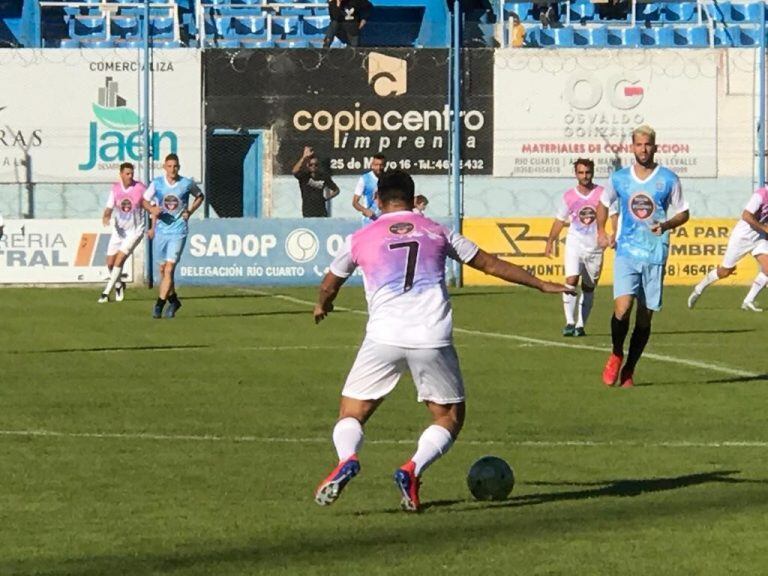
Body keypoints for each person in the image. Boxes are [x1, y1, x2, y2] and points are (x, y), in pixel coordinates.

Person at [313, 170, 573, 512]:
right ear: (412, 196)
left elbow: (331, 282)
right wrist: (540, 284)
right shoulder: (436, 231)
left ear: (378, 199)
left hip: (383, 336)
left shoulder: (362, 237)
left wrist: (323, 304)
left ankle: (348, 458)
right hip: (431, 336)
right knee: (448, 416)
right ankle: (413, 469)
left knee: (352, 412)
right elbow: (489, 264)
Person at [596, 125, 689, 388]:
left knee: (645, 317)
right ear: (632, 147)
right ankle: (616, 353)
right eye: (638, 144)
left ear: (655, 147)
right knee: (622, 308)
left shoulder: (668, 179)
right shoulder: (620, 179)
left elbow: (684, 212)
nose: (643, 149)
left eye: (648, 144)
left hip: (655, 253)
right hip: (626, 252)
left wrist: (667, 225)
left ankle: (629, 369)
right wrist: (601, 231)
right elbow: (603, 203)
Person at [545, 158, 617, 337]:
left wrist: (613, 234)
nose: (584, 176)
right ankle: (569, 321)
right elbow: (560, 220)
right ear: (576, 174)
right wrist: (550, 240)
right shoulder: (569, 196)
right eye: (581, 173)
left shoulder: (603, 193)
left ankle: (580, 325)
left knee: (589, 286)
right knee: (571, 280)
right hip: (574, 242)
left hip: (594, 246)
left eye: (587, 172)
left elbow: (614, 215)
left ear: (592, 172)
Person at [142, 154, 204, 319]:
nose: (172, 169)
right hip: (161, 232)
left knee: (169, 269)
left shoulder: (186, 184)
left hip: (178, 231)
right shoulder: (157, 184)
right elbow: (144, 200)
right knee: (163, 271)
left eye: (175, 166)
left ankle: (159, 305)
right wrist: (152, 209)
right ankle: (174, 300)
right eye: (169, 166)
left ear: (179, 167)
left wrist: (189, 211)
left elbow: (200, 196)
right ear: (164, 167)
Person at [687, 185, 768, 312]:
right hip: (743, 236)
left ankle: (748, 301)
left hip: (759, 237)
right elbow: (746, 215)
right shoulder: (761, 194)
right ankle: (699, 289)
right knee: (725, 271)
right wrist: (764, 228)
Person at [98, 163, 147, 304]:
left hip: (135, 231)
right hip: (119, 230)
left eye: (132, 173)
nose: (130, 176)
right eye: (127, 174)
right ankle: (119, 284)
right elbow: (109, 207)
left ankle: (105, 293)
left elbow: (151, 204)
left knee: (120, 260)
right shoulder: (116, 189)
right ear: (121, 174)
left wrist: (153, 224)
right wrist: (106, 216)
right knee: (110, 263)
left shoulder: (140, 188)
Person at [292, 147, 340, 218]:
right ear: (308, 165)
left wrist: (326, 198)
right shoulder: (304, 176)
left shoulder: (323, 177)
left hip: (321, 211)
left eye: (315, 165)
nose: (313, 166)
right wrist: (304, 158)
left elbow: (336, 190)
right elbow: (294, 171)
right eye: (311, 165)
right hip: (308, 211)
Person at [352, 153, 385, 224]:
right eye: (376, 165)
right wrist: (364, 210)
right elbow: (355, 202)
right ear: (372, 165)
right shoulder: (364, 179)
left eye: (381, 165)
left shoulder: (388, 178)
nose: (379, 168)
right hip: (369, 220)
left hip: (384, 220)